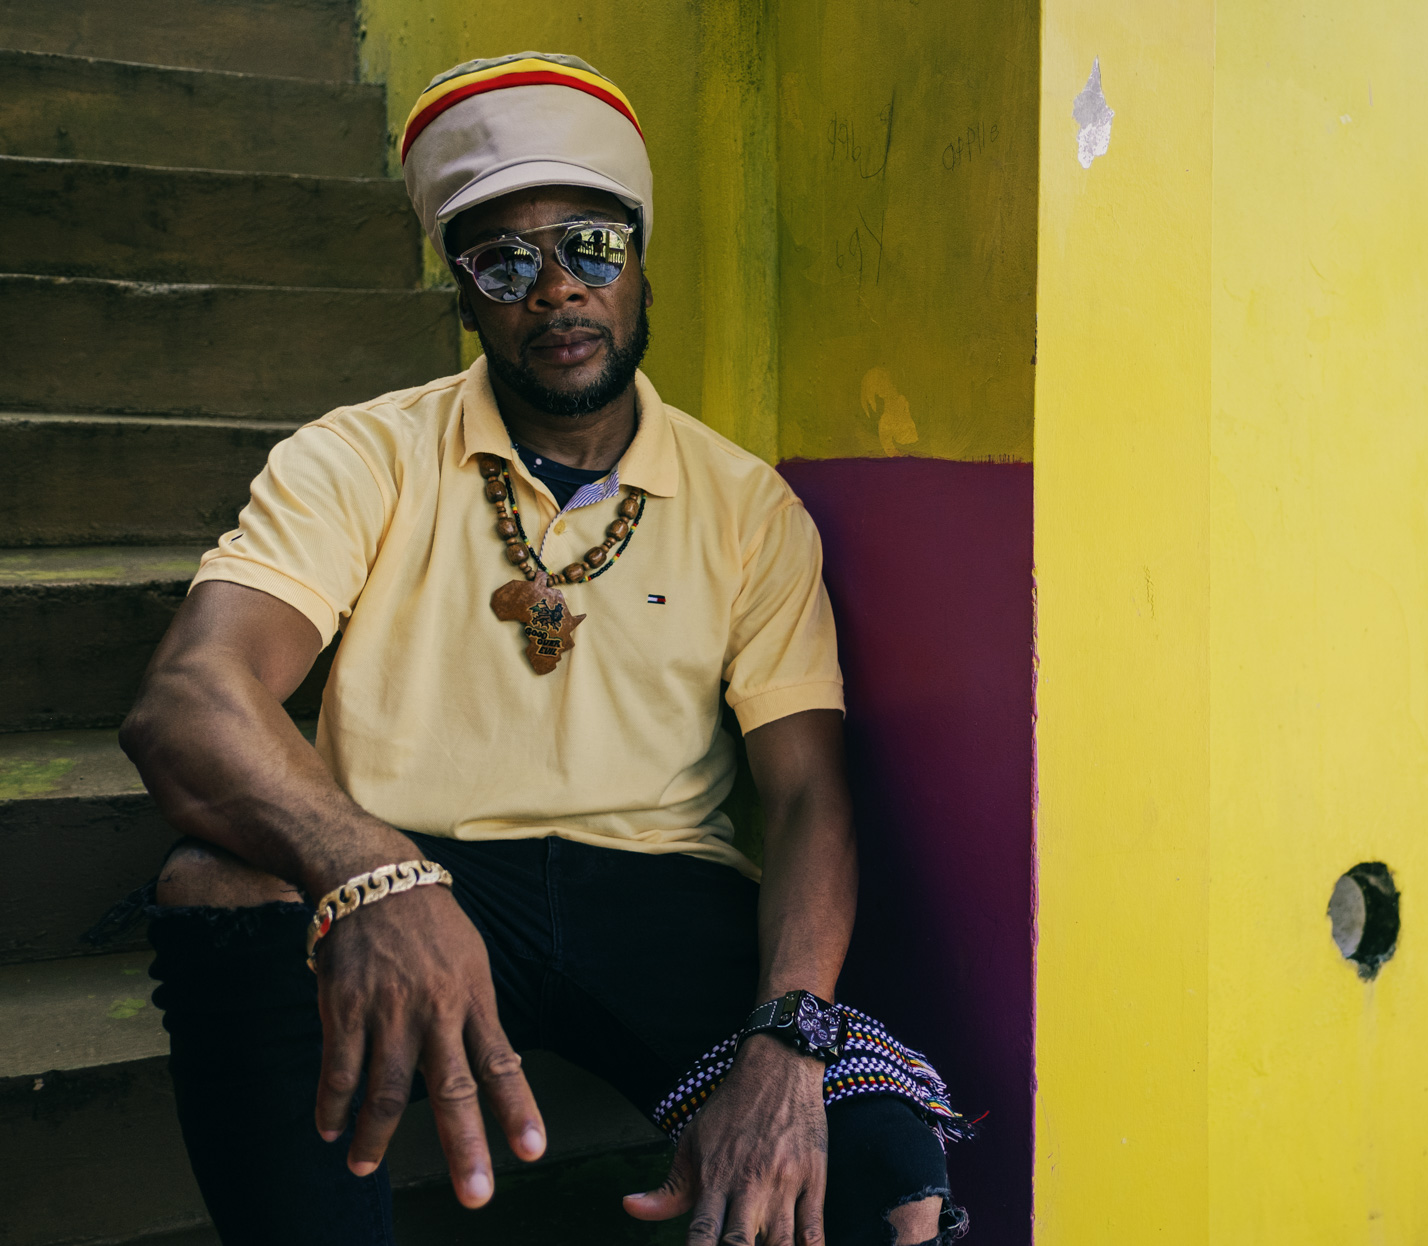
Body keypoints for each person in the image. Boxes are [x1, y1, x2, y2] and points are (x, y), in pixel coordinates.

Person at [118, 51, 968, 1246]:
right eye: (505, 262)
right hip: (422, 866)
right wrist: (373, 868)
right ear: (466, 298)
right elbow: (189, 700)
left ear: (642, 271)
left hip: (666, 899)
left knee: (888, 1176)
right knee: (217, 887)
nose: (555, 289)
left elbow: (808, 799)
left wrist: (786, 1040)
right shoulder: (361, 457)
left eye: (591, 247)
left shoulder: (747, 506)